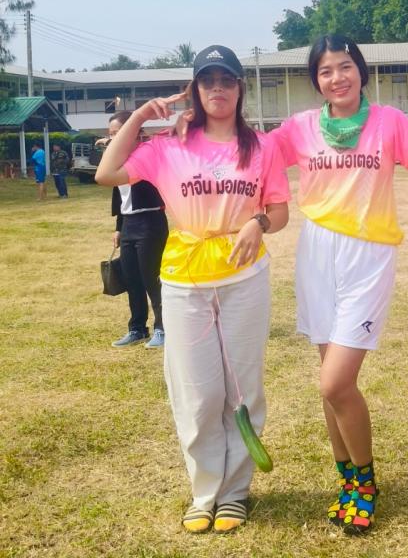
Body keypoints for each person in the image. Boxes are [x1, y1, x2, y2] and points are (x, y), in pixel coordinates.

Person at [268, 33, 408, 534]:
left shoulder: (389, 122)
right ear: (315, 80)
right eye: (325, 70)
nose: (336, 77)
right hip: (317, 254)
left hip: (368, 256)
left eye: (345, 66)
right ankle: (347, 482)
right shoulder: (300, 127)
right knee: (330, 382)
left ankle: (365, 482)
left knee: (334, 382)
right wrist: (193, 130)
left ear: (360, 71)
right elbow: (248, 154)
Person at [96, 44, 290, 534]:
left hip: (244, 277)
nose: (217, 89)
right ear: (195, 90)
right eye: (208, 81)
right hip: (185, 279)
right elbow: (106, 173)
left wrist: (259, 222)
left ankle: (235, 492)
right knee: (198, 391)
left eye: (226, 80)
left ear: (240, 88)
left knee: (241, 388)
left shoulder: (261, 146)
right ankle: (205, 492)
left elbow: (280, 210)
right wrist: (140, 116)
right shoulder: (169, 146)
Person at [96, 111, 169, 348]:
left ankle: (162, 328)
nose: (114, 138)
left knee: (152, 278)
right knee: (132, 279)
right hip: (129, 223)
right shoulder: (116, 163)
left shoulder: (146, 155)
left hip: (151, 222)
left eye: (119, 133)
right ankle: (137, 328)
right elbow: (121, 197)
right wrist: (119, 228)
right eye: (111, 135)